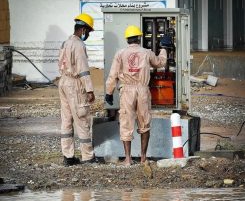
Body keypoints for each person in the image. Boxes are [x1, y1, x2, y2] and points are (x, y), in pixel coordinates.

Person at [105, 25, 167, 166]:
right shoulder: (147, 52)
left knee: (126, 122)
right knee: (144, 123)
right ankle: (143, 158)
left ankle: (128, 159)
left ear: (127, 39)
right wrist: (164, 48)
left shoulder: (120, 53)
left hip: (127, 91)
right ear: (139, 38)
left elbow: (113, 75)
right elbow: (160, 62)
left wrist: (109, 92)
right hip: (143, 90)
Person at [58, 13, 96, 167]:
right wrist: (89, 90)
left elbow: (60, 63)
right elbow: (83, 70)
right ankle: (87, 156)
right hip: (74, 84)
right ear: (83, 30)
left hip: (64, 82)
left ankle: (68, 156)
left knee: (66, 120)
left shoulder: (65, 43)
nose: (87, 34)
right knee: (82, 118)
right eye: (88, 31)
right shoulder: (79, 45)